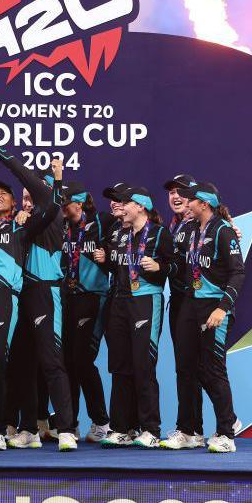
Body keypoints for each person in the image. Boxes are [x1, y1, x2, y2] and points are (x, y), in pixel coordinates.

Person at [0, 143, 72, 451]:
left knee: (51, 361)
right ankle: (29, 428)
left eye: (27, 195)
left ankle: (65, 430)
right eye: (23, 197)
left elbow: (46, 199)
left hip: (45, 292)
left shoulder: (46, 218)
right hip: (16, 297)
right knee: (21, 364)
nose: (27, 200)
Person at [95, 185, 176, 449]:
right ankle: (122, 428)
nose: (119, 207)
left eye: (124, 203)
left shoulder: (160, 233)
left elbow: (178, 267)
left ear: (140, 206)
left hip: (145, 300)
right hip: (119, 300)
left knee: (143, 364)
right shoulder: (119, 233)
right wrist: (103, 259)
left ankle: (150, 429)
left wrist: (160, 267)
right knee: (119, 366)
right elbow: (116, 263)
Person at [173, 182, 245, 453]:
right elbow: (175, 255)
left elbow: (238, 272)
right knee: (189, 367)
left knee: (213, 369)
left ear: (204, 204)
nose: (185, 203)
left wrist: (222, 308)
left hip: (214, 306)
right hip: (191, 304)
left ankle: (226, 433)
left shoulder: (224, 232)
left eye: (190, 200)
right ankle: (192, 432)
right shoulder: (190, 229)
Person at [60, 181, 113, 442]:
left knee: (81, 360)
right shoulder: (61, 227)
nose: (60, 208)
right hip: (67, 298)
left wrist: (110, 255)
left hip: (93, 297)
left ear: (78, 204)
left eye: (64, 203)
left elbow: (134, 231)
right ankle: (70, 424)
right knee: (68, 362)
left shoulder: (102, 222)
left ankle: (102, 422)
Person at [158, 174, 207, 450]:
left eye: (182, 193)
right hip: (178, 300)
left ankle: (216, 423)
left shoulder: (202, 227)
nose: (175, 197)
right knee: (185, 368)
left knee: (196, 368)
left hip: (197, 302)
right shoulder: (173, 227)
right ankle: (192, 430)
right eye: (171, 192)